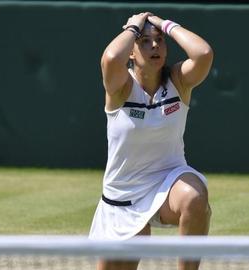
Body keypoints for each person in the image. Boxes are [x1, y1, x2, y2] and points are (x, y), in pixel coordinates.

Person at [89, 12, 214, 270]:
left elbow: (203, 54)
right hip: (122, 197)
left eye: (159, 40)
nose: (154, 45)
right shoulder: (120, 87)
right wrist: (133, 28)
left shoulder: (178, 82)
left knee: (194, 196)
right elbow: (111, 58)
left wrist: (166, 25)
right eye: (145, 41)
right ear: (132, 53)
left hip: (167, 184)